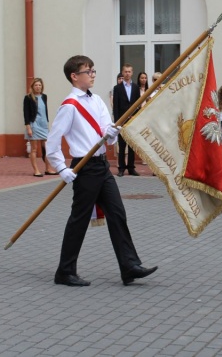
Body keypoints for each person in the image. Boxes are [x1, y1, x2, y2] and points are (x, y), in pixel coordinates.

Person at [46, 55, 157, 286]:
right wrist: (61, 168)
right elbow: (52, 143)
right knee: (79, 219)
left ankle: (129, 266)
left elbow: (107, 131)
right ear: (74, 76)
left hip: (102, 165)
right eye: (88, 71)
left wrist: (111, 132)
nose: (93, 75)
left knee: (117, 213)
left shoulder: (96, 100)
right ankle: (65, 271)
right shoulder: (69, 106)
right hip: (84, 167)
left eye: (93, 70)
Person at [23, 78, 56, 177]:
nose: (38, 87)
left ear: (42, 87)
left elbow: (44, 111)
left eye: (39, 85)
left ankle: (48, 169)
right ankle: (36, 170)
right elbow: (26, 113)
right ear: (32, 87)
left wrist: (47, 123)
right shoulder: (28, 98)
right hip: (34, 125)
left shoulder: (44, 97)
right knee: (34, 149)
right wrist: (28, 127)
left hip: (44, 125)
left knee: (47, 148)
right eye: (36, 85)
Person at [113, 64, 141, 177]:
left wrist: (136, 118)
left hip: (132, 120)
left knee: (131, 145)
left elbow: (138, 104)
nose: (127, 74)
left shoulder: (135, 87)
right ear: (122, 73)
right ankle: (121, 168)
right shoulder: (117, 88)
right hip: (122, 120)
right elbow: (115, 106)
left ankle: (131, 168)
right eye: (125, 71)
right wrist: (117, 121)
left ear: (132, 73)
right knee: (122, 145)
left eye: (129, 71)